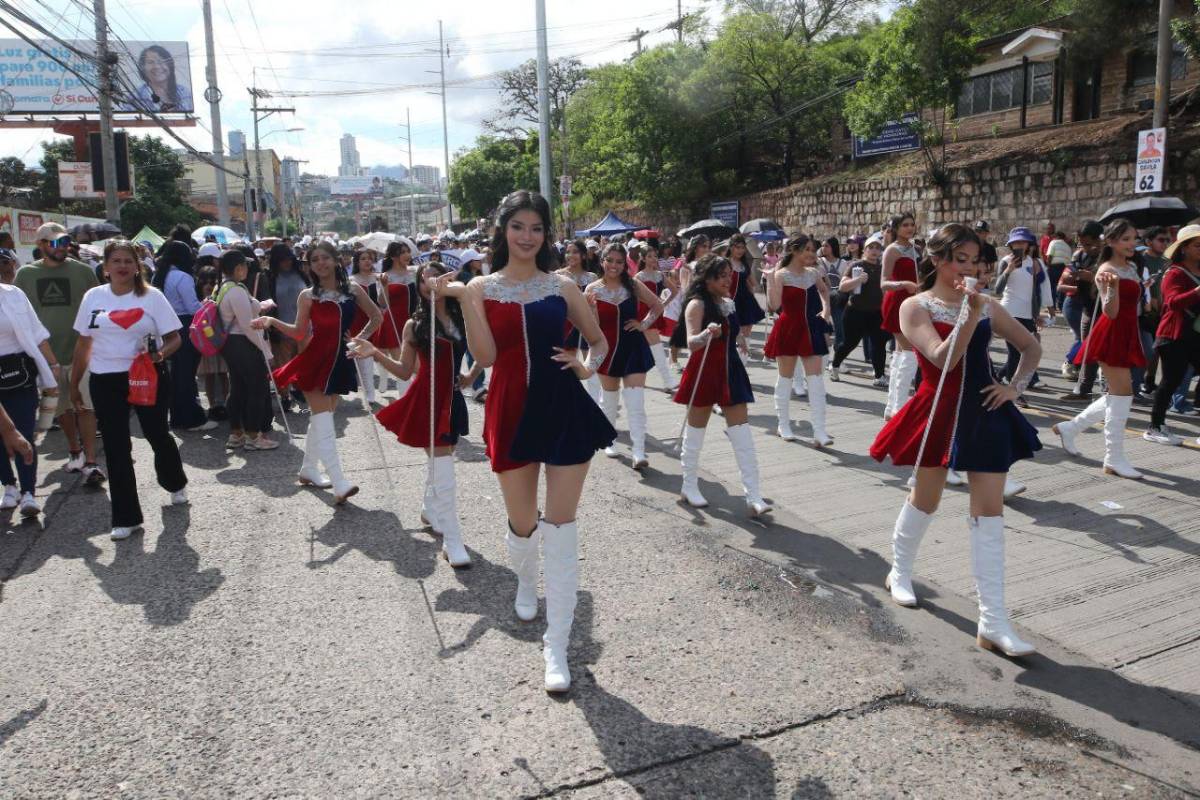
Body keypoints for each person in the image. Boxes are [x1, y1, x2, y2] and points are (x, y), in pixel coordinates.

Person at [460, 190, 615, 694]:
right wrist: (466, 300)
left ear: (546, 234)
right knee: (523, 523)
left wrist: (586, 366)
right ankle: (526, 581)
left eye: (537, 228)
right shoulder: (482, 287)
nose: (528, 236)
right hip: (508, 408)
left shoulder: (563, 284)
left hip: (563, 408)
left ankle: (557, 644)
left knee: (562, 526)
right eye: (518, 226)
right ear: (502, 230)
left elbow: (597, 339)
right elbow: (483, 356)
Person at [871, 223, 1041, 657]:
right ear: (936, 260)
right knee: (925, 497)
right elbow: (944, 358)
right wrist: (968, 313)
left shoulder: (986, 304)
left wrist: (1013, 388)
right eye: (957, 260)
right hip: (937, 411)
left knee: (990, 512)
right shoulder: (915, 306)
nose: (967, 269)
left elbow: (1030, 346)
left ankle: (993, 621)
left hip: (985, 411)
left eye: (974, 261)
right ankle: (900, 571)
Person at [349, 262, 472, 567]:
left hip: (453, 397)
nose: (430, 283)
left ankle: (430, 509)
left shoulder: (464, 314)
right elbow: (405, 370)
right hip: (429, 399)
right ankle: (452, 541)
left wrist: (472, 375)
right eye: (423, 279)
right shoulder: (414, 325)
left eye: (437, 277)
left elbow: (484, 350)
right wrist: (375, 353)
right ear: (418, 287)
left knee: (440, 462)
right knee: (445, 469)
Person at [69, 240, 190, 540]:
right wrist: (74, 383)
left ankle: (175, 482)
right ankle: (126, 517)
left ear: (137, 266)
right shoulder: (92, 297)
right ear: (106, 267)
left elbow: (175, 338)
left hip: (146, 375)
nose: (122, 266)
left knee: (156, 434)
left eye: (128, 261)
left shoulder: (152, 297)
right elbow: (84, 343)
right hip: (104, 379)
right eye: (116, 261)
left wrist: (158, 355)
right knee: (115, 446)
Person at [252, 242, 383, 503]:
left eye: (324, 258)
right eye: (314, 260)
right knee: (324, 422)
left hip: (341, 361)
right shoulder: (307, 295)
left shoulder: (353, 290)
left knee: (321, 420)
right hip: (315, 361)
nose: (320, 263)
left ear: (336, 261)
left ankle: (309, 469)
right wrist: (272, 321)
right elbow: (299, 331)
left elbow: (376, 316)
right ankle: (339, 482)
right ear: (309, 266)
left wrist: (359, 339)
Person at [675, 254, 772, 517]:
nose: (729, 280)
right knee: (696, 432)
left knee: (742, 433)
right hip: (704, 370)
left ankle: (753, 496)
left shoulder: (728, 303)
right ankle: (688, 485)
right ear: (707, 278)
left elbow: (735, 330)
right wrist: (708, 333)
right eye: (723, 275)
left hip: (730, 371)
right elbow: (691, 342)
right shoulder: (696, 304)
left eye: (730, 274)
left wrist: (739, 337)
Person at [1053, 219, 1145, 479]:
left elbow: (1135, 307)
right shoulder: (1105, 269)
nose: (1131, 243)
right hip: (1111, 333)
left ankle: (1071, 428)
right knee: (1123, 394)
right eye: (1126, 239)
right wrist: (1113, 286)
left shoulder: (1132, 267)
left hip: (1127, 332)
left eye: (1134, 238)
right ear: (1112, 241)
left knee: (1118, 395)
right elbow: (1110, 311)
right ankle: (1113, 457)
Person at [14, 223, 104, 485]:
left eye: (65, 241)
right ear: (41, 244)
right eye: (55, 242)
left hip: (83, 352)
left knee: (86, 406)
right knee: (62, 409)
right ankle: (74, 450)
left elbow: (98, 307)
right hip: (47, 357)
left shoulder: (83, 271)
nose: (62, 247)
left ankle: (90, 461)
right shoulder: (25, 276)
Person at [588, 243, 663, 468]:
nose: (614, 265)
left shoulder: (634, 285)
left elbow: (657, 305)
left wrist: (643, 324)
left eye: (619, 261)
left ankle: (639, 451)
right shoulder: (591, 289)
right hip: (607, 350)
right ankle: (609, 440)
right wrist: (591, 308)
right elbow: (592, 327)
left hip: (633, 349)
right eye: (609, 260)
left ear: (625, 264)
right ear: (602, 261)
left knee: (636, 402)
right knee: (609, 400)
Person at [764, 234, 834, 445]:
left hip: (811, 328)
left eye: (813, 250)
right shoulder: (781, 274)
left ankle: (820, 431)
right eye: (808, 250)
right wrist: (770, 280)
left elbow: (824, 291)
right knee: (785, 379)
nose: (812, 254)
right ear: (795, 251)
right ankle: (783, 424)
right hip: (788, 328)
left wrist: (826, 310)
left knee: (816, 380)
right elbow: (774, 305)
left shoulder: (813, 273)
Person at [0, 276, 59, 516]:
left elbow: (36, 332)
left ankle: (28, 492)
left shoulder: (13, 294)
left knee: (24, 430)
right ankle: (9, 486)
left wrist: (53, 365)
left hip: (19, 373)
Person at [1144, 225, 1200, 445]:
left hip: (1194, 334)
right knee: (1170, 381)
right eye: (1197, 245)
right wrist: (1197, 292)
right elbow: (1173, 302)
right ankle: (1155, 426)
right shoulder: (1174, 272)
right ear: (1184, 248)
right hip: (1174, 335)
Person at [216, 251, 278, 451]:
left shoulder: (224, 287)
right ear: (238, 268)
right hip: (243, 343)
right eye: (245, 265)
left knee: (238, 388)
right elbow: (248, 325)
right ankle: (253, 435)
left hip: (231, 345)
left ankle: (236, 434)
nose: (247, 269)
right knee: (257, 389)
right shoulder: (236, 290)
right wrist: (267, 352)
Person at [152, 240, 216, 431]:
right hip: (186, 325)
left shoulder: (159, 276)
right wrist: (207, 303)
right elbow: (192, 307)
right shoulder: (182, 277)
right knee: (187, 375)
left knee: (177, 375)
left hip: (167, 328)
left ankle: (177, 416)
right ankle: (192, 418)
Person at [995, 227, 1054, 404]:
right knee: (1016, 352)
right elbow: (997, 289)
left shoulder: (1036, 263)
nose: (1019, 245)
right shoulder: (1006, 261)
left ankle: (1000, 376)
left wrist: (1045, 310)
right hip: (1009, 312)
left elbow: (1040, 289)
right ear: (1011, 244)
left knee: (1024, 352)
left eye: (1023, 242)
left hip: (1028, 314)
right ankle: (1015, 392)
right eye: (1016, 242)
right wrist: (1008, 271)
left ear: (1029, 244)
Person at [830, 233, 888, 387]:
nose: (874, 251)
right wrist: (858, 280)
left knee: (879, 343)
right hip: (855, 311)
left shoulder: (882, 268)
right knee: (850, 343)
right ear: (865, 250)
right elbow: (842, 286)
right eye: (871, 247)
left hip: (876, 312)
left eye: (877, 248)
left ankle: (879, 375)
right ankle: (835, 364)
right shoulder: (856, 266)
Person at [880, 213, 921, 419]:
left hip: (914, 302)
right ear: (896, 228)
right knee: (909, 351)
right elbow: (884, 282)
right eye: (905, 225)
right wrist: (903, 284)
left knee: (899, 353)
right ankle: (898, 407)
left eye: (912, 224)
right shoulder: (892, 250)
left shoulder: (916, 249)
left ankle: (891, 407)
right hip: (897, 302)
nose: (909, 228)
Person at [1058, 221, 1104, 399]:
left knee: (1103, 353)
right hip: (1087, 308)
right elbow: (1068, 275)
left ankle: (1109, 391)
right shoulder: (1081, 255)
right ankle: (1083, 389)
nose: (1085, 248)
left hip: (1104, 310)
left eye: (1088, 244)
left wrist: (1093, 278)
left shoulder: (1108, 257)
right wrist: (1072, 276)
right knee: (1087, 351)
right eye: (1082, 244)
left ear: (1099, 240)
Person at [265, 244, 309, 413]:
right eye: (283, 259)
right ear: (276, 261)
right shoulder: (269, 278)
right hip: (281, 328)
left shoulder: (302, 275)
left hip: (304, 328)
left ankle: (298, 390)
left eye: (289, 258)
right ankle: (284, 396)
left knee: (302, 363)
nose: (287, 262)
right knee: (282, 365)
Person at [557, 239, 602, 401]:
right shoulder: (558, 275)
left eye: (575, 252)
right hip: (566, 325)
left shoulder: (592, 277)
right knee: (566, 366)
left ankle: (595, 403)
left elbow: (594, 304)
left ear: (583, 255)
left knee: (590, 365)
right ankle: (569, 400)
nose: (571, 255)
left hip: (586, 324)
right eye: (568, 252)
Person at [632, 244, 680, 393]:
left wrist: (663, 304)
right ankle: (667, 381)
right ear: (643, 258)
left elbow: (674, 290)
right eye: (649, 256)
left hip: (655, 313)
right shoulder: (638, 277)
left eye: (655, 256)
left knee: (645, 347)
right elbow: (634, 297)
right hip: (643, 314)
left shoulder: (660, 275)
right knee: (656, 346)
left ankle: (640, 379)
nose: (653, 259)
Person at [373, 239, 417, 396]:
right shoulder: (386, 276)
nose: (406, 255)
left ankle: (416, 401)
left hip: (416, 323)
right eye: (402, 252)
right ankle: (405, 405)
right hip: (393, 323)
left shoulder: (416, 272)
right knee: (403, 369)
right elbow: (382, 303)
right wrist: (384, 285)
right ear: (393, 257)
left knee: (419, 368)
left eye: (407, 251)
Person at [666, 235, 709, 369]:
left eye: (708, 246)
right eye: (704, 246)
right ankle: (673, 359)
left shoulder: (709, 263)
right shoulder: (686, 264)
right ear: (695, 248)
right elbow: (686, 288)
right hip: (691, 301)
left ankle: (698, 362)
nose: (707, 249)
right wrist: (692, 272)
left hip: (706, 301)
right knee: (682, 332)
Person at [348, 250, 385, 405]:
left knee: (377, 356)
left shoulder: (379, 278)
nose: (367, 261)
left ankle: (377, 386)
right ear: (357, 262)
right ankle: (369, 391)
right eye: (363, 259)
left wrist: (384, 286)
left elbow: (383, 303)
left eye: (370, 258)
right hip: (357, 322)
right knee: (363, 358)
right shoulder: (350, 280)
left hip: (376, 321)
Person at [727, 234, 766, 353]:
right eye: (737, 247)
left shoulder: (745, 265)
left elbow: (754, 283)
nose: (740, 250)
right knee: (733, 329)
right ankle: (733, 354)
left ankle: (743, 357)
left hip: (746, 300)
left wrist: (768, 275)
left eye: (743, 248)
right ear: (731, 247)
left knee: (747, 329)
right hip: (730, 300)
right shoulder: (725, 263)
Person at [126, 45, 188, 112]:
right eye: (150, 62)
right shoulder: (135, 96)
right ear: (143, 68)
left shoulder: (184, 93)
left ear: (170, 65)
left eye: (161, 61)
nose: (157, 66)